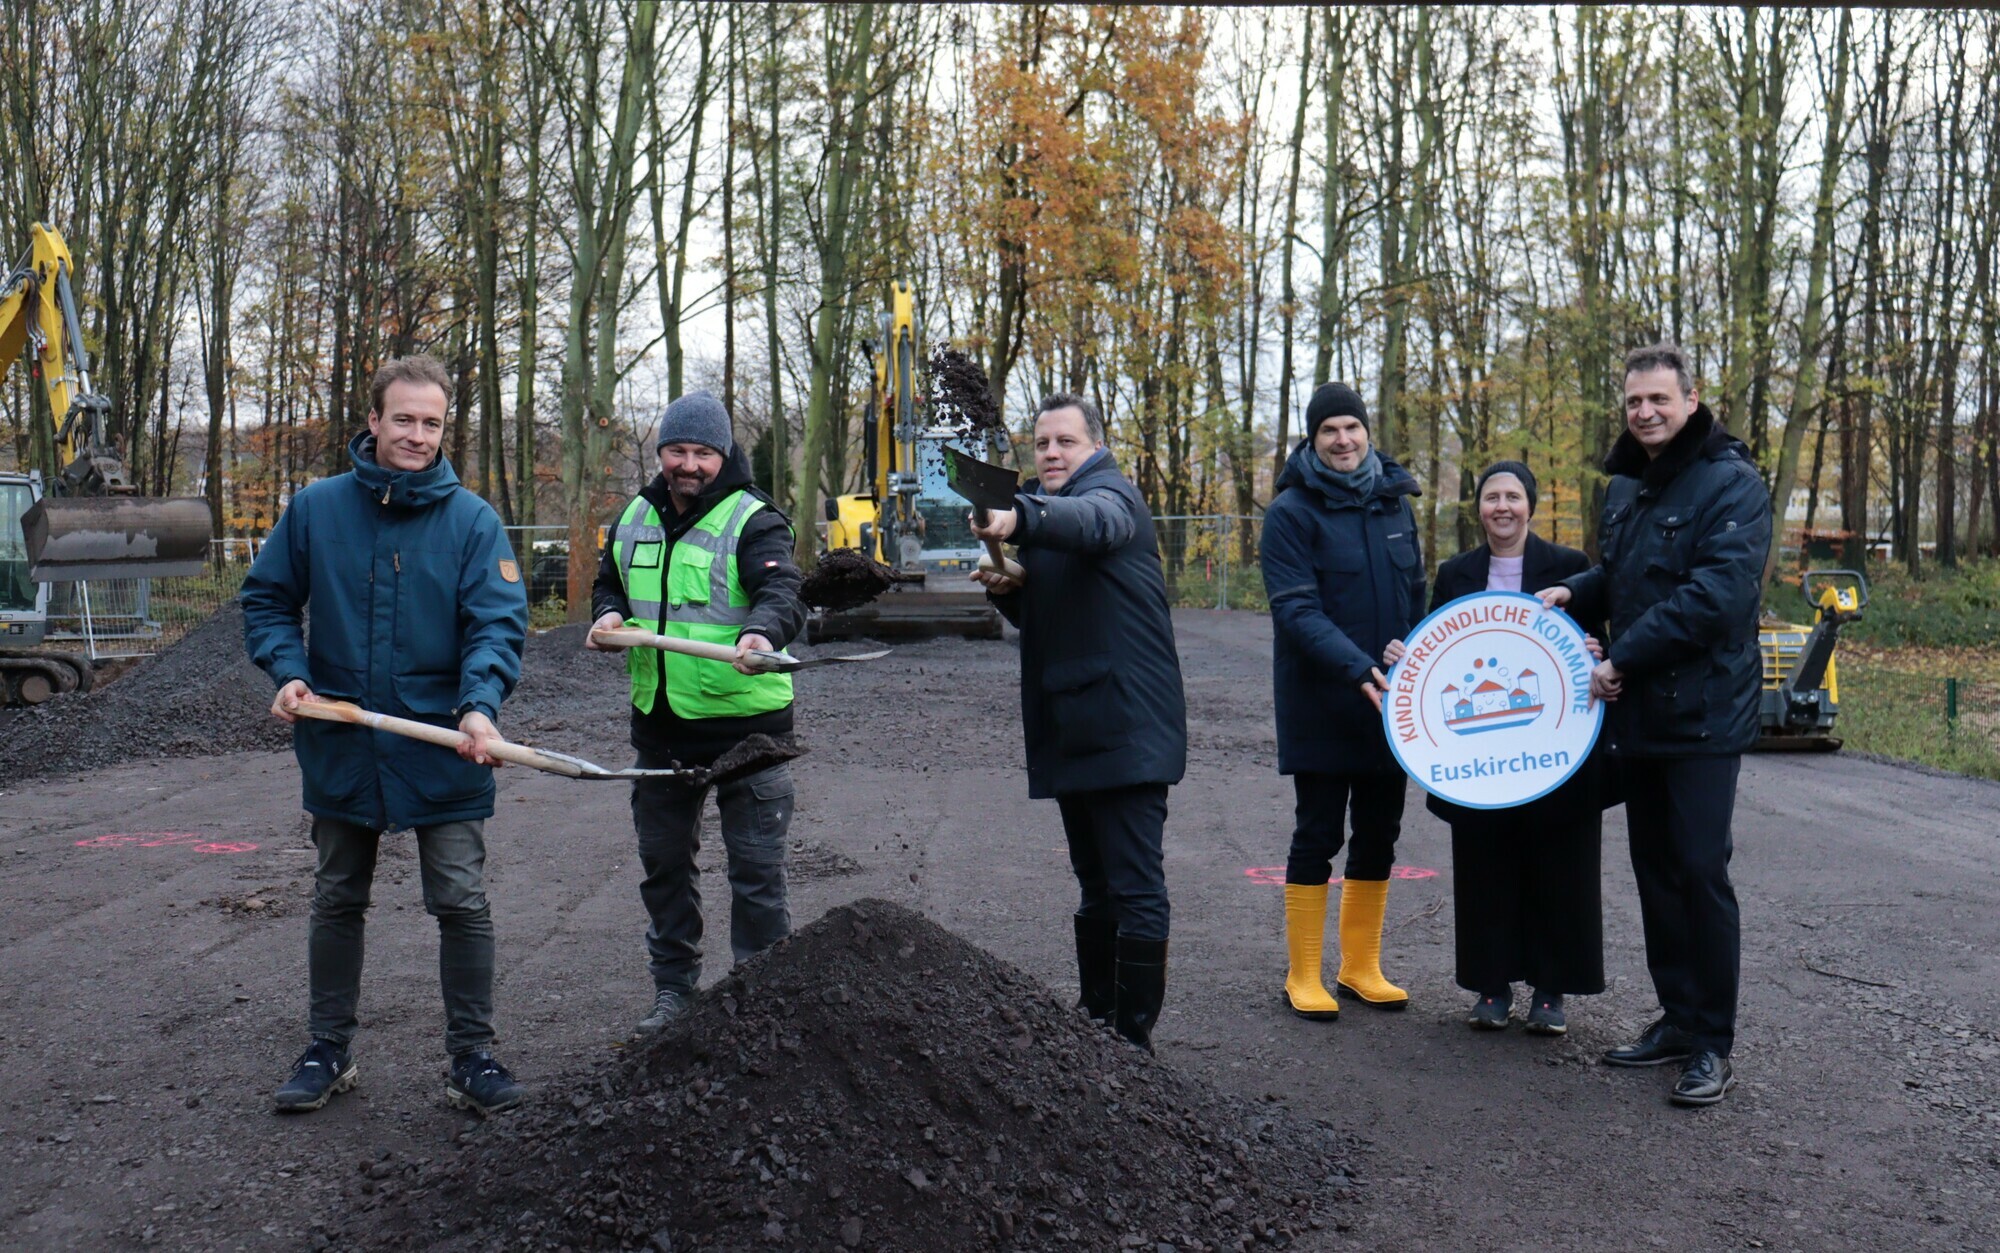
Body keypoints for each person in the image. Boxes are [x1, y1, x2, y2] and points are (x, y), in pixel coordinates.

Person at [242, 355, 529, 1116]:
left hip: (442, 741)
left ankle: (472, 1056)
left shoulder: (473, 522)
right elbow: (267, 601)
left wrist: (479, 707)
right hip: (342, 737)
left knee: (461, 899)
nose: (417, 435)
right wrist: (290, 672)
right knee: (338, 894)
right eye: (403, 418)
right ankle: (327, 1048)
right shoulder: (317, 510)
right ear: (373, 420)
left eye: (431, 422)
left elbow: (496, 626)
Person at [1540, 343, 1771, 1106]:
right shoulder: (1627, 486)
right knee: (1656, 873)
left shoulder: (1732, 484)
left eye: (1659, 400)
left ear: (1691, 401)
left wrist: (1623, 657)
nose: (1644, 412)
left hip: (1704, 713)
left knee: (1700, 870)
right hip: (1640, 713)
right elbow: (1626, 575)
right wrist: (1576, 592)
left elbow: (1716, 598)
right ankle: (1677, 1018)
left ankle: (1712, 1043)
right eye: (1634, 401)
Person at [967, 393, 1187, 1053]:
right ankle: (1096, 1024)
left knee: (1134, 886)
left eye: (1065, 441)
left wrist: (1020, 516)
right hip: (1078, 725)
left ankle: (1133, 1041)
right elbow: (1056, 618)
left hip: (1126, 728)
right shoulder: (1051, 510)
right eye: (1042, 444)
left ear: (1096, 446)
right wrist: (1012, 593)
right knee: (1096, 887)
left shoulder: (1110, 498)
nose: (1051, 453)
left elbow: (1095, 525)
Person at [587, 392, 806, 1035]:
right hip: (661, 729)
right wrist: (607, 614)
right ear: (661, 452)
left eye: (703, 453)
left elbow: (782, 589)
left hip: (749, 733)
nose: (689, 465)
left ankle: (759, 1003)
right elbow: (610, 582)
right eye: (677, 451)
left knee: (756, 873)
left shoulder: (754, 519)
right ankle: (674, 993)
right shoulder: (635, 515)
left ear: (724, 454)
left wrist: (762, 634)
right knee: (664, 868)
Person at [1260, 382, 1425, 1019]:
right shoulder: (1291, 513)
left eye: (1351, 426)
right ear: (1313, 438)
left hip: (1390, 707)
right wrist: (1357, 668)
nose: (1342, 439)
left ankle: (1360, 966)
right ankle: (1304, 973)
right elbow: (1296, 610)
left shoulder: (1395, 503)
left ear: (1367, 431)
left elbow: (1415, 596)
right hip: (1321, 702)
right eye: (1329, 429)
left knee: (1380, 833)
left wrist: (1416, 656)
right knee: (1319, 833)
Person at [1424, 461, 1605, 1035]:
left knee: (1560, 864)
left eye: (1512, 497)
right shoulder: (1455, 573)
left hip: (1555, 748)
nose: (1501, 507)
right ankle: (1491, 985)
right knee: (1485, 865)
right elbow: (1434, 649)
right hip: (1481, 755)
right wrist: (1407, 658)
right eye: (1491, 497)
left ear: (1530, 505)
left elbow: (1600, 640)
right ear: (1479, 508)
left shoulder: (1572, 566)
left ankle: (1551, 990)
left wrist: (1597, 650)